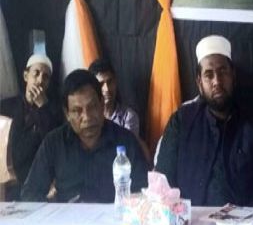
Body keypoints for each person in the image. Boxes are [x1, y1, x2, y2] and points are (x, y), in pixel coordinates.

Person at [155, 35, 253, 207]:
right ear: (199, 83)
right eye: (208, 75)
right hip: (189, 219)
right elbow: (163, 181)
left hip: (242, 221)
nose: (217, 82)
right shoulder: (181, 122)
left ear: (233, 75)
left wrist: (249, 220)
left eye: (223, 72)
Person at [21, 69, 148, 202]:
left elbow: (144, 192)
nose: (87, 117)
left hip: (114, 214)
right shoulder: (54, 143)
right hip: (68, 214)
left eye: (92, 107)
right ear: (67, 113)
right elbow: (30, 194)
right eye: (77, 111)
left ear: (102, 104)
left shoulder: (126, 141)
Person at [0, 54, 63, 200]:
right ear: (25, 76)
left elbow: (54, 143)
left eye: (45, 77)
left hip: (36, 187)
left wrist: (43, 108)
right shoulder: (6, 107)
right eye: (36, 74)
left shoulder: (54, 112)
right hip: (6, 185)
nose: (40, 80)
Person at [88, 58, 139, 136]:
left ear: (115, 82)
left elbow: (128, 143)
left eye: (110, 82)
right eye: (101, 84)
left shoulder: (128, 116)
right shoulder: (88, 118)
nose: (107, 89)